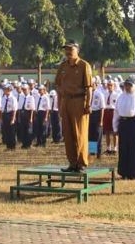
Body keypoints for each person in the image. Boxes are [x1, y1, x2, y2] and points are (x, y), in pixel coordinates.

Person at [54, 40, 92, 173]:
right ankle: (72, 163)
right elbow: (58, 85)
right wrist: (59, 104)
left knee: (80, 133)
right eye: (66, 49)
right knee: (68, 134)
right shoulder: (63, 66)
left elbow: (89, 88)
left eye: (71, 49)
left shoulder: (84, 65)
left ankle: (81, 163)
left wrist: (88, 104)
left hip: (79, 101)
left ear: (77, 50)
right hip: (66, 102)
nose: (68, 52)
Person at [112, 78, 135, 180]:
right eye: (126, 85)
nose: (127, 87)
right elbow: (116, 113)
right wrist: (115, 127)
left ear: (133, 86)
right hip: (123, 124)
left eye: (129, 85)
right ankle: (124, 173)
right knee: (123, 148)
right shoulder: (121, 97)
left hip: (134, 124)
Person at [102, 80, 119, 155]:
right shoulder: (104, 93)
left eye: (111, 85)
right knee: (107, 131)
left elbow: (118, 106)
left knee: (114, 131)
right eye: (108, 85)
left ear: (114, 86)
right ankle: (108, 148)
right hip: (106, 112)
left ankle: (115, 148)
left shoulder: (117, 94)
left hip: (113, 112)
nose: (109, 86)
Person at [17, 83, 36, 149]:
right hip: (22, 113)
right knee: (23, 129)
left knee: (29, 130)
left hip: (28, 114)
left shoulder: (31, 98)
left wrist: (31, 118)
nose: (24, 91)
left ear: (29, 90)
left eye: (25, 89)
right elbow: (19, 108)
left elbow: (32, 109)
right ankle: (24, 144)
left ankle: (29, 144)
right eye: (23, 89)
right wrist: (19, 117)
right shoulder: (21, 97)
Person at [0, 84, 18, 150]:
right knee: (6, 131)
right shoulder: (3, 98)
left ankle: (12, 146)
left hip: (10, 115)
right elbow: (2, 109)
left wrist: (13, 119)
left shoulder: (13, 98)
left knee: (12, 132)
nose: (4, 91)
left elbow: (14, 110)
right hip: (5, 114)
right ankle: (8, 146)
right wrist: (1, 117)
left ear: (9, 90)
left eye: (5, 89)